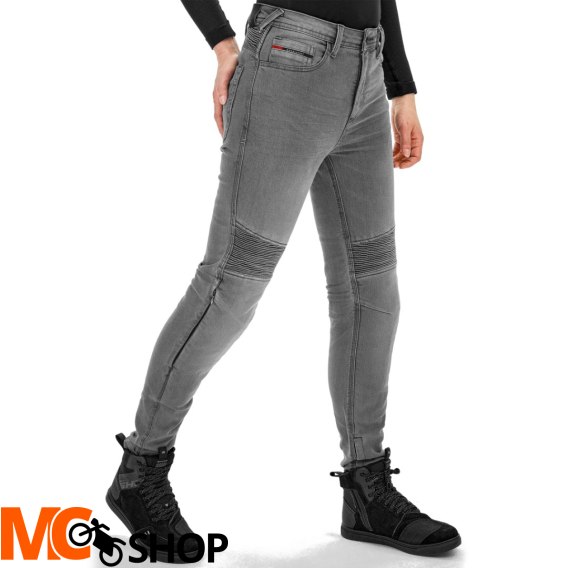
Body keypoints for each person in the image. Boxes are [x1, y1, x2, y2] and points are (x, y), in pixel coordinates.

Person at [106, 0, 461, 560]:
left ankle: (366, 487)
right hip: (287, 64)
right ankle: (140, 468)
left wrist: (402, 87)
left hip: (367, 74)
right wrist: (221, 41)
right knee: (231, 286)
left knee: (372, 288)